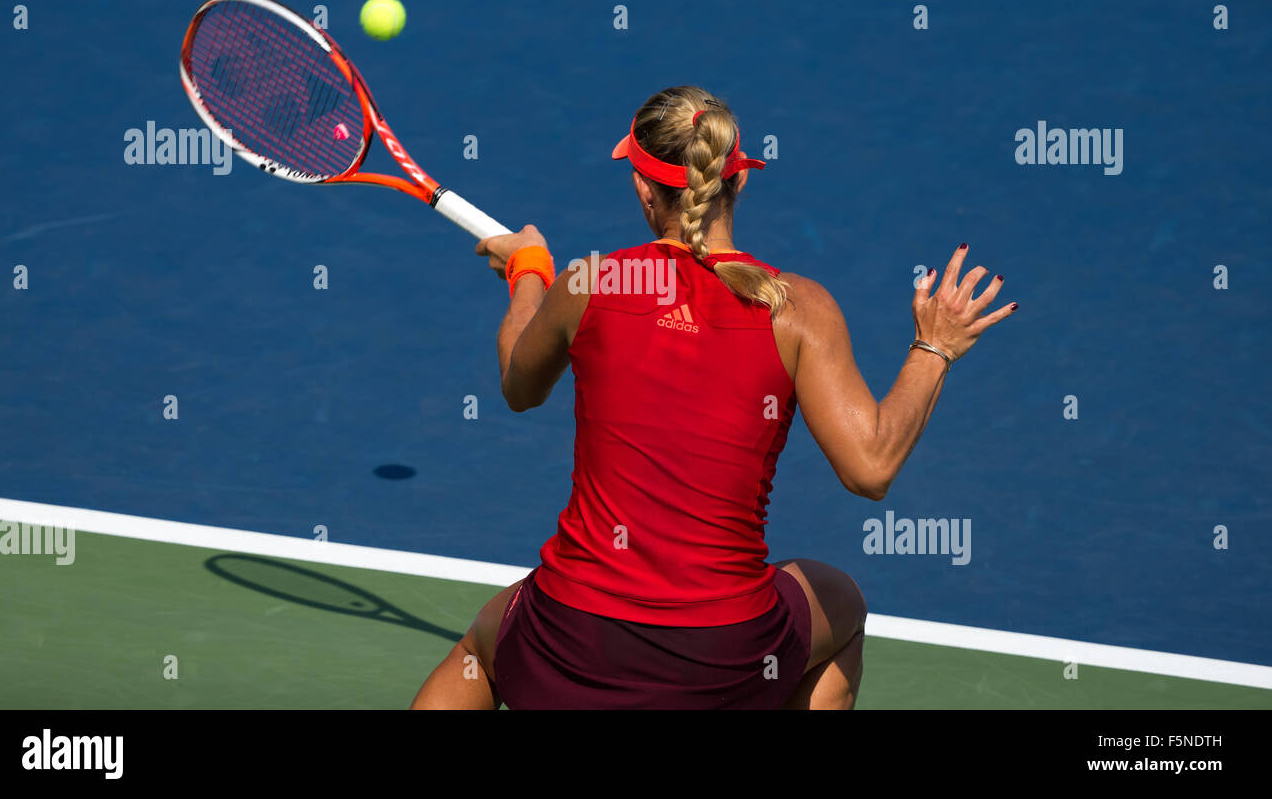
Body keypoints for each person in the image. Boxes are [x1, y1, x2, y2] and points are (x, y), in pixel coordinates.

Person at [411, 85, 1016, 709]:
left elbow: (517, 383)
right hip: (726, 657)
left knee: (479, 653)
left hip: (568, 635)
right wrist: (934, 348)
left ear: (645, 191)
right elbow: (871, 467)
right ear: (739, 182)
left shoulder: (589, 284)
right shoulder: (799, 309)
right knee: (840, 599)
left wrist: (530, 271)